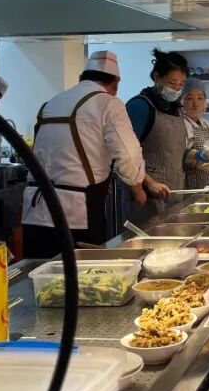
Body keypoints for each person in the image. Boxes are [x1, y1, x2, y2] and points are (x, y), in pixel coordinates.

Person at [21, 51, 149, 254]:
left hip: (36, 209)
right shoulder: (108, 103)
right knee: (84, 270)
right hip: (76, 212)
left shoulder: (51, 103)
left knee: (41, 270)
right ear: (115, 83)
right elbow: (128, 155)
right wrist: (138, 188)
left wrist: (98, 176)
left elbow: (53, 152)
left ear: (82, 78)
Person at [125, 49, 202, 203]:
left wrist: (199, 156)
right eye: (172, 83)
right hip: (145, 196)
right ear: (157, 77)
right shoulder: (140, 107)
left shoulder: (176, 109)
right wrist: (149, 182)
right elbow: (125, 154)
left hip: (173, 193)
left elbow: (171, 151)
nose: (177, 89)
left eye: (181, 84)